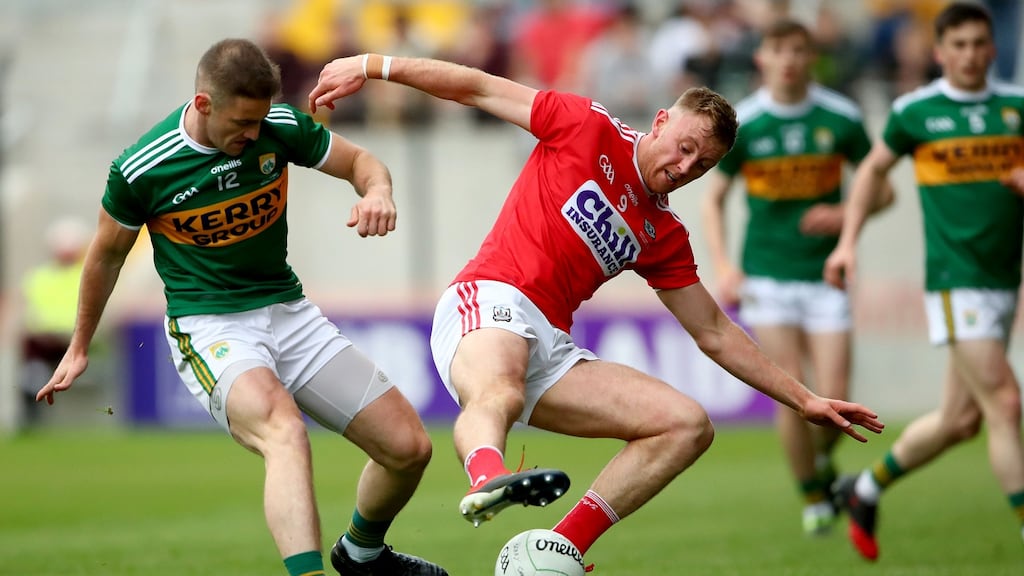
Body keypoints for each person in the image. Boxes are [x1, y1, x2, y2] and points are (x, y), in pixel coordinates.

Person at [308, 53, 885, 564]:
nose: (686, 168)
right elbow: (476, 88)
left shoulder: (662, 232)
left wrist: (804, 398)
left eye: (702, 165)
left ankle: (555, 550)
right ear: (661, 121)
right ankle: (488, 476)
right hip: (488, 298)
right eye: (685, 148)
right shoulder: (586, 125)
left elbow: (712, 330)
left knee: (685, 426)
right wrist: (375, 66)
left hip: (551, 344)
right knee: (500, 392)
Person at [35, 39, 447, 576]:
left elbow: (362, 162)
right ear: (204, 104)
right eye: (242, 122)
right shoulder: (143, 168)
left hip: (289, 312)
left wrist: (378, 192)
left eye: (259, 122)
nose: (253, 134)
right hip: (209, 324)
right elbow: (105, 257)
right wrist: (80, 345)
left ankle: (363, 553)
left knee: (409, 448)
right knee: (284, 431)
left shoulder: (279, 125)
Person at [824, 2, 1024, 561]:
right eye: (957, 45)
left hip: (1004, 280)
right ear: (939, 52)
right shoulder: (916, 112)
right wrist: (846, 241)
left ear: (993, 48)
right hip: (953, 281)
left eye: (979, 43)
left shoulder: (1017, 108)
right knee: (1005, 405)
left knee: (962, 421)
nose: (969, 55)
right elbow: (871, 170)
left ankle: (864, 489)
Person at [701, 18, 894, 537]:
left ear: (812, 58)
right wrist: (724, 266)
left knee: (834, 390)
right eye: (777, 50)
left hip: (826, 274)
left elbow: (883, 190)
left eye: (798, 50)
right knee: (792, 390)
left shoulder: (841, 116)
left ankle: (824, 466)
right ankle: (813, 498)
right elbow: (714, 200)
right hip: (768, 275)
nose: (788, 59)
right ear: (761, 58)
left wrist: (843, 216)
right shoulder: (747, 124)